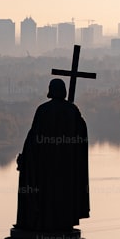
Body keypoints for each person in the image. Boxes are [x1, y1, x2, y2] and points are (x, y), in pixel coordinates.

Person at [15, 78, 89, 231]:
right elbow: (81, 137)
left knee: (46, 194)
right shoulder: (72, 111)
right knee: (62, 193)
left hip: (45, 166)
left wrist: (26, 159)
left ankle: (42, 221)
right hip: (67, 167)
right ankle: (63, 221)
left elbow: (33, 139)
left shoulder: (43, 110)